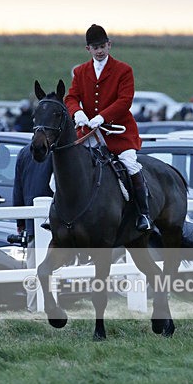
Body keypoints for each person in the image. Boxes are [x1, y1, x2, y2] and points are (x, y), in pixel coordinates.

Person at [64, 23, 152, 232]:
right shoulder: (80, 71)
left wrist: (102, 117)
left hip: (118, 131)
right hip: (89, 131)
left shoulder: (123, 70)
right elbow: (71, 96)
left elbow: (125, 100)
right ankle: (60, 213)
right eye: (95, 47)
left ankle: (143, 214)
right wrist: (78, 112)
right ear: (88, 50)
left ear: (109, 45)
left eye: (103, 45)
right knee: (66, 167)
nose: (100, 50)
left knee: (130, 164)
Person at [12, 145, 54, 311]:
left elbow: (18, 188)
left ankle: (33, 307)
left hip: (30, 217)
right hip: (54, 216)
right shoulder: (57, 150)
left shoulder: (24, 152)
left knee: (33, 266)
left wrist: (20, 221)